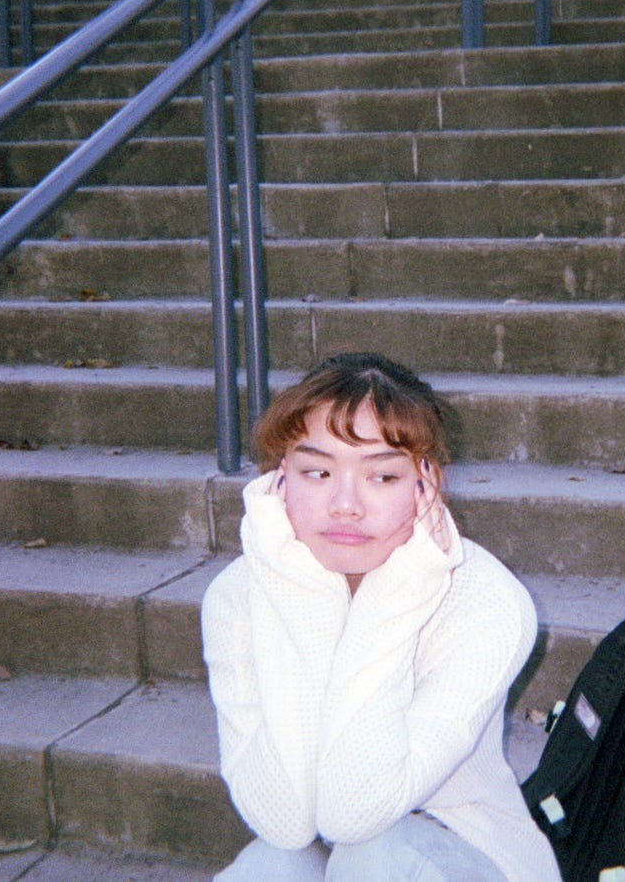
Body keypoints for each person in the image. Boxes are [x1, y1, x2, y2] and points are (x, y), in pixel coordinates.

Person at [201, 352, 561, 882]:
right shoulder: (236, 596)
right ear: (280, 479)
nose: (346, 504)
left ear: (425, 483)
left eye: (383, 476)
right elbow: (284, 823)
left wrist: (399, 592)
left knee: (372, 858)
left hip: (461, 846)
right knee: (268, 869)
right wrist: (294, 589)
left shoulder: (487, 599)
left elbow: (357, 812)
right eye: (317, 472)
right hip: (321, 847)